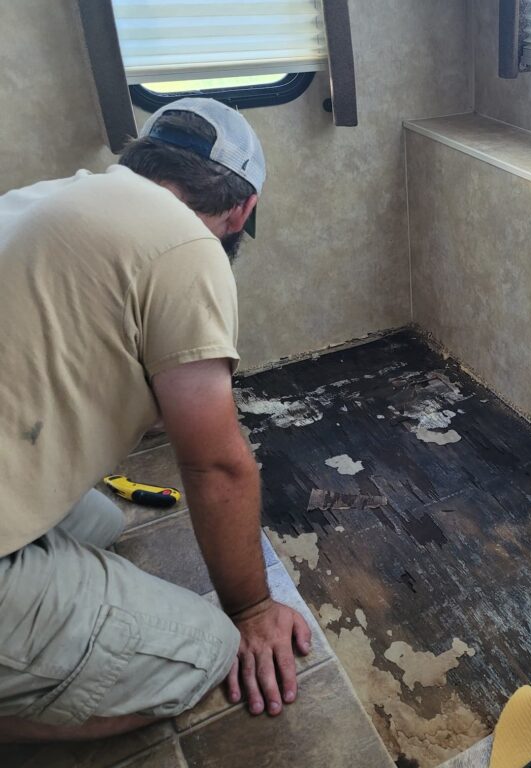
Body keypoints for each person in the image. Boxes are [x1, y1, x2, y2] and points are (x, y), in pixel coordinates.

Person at [0, 98, 310, 742]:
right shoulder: (186, 245)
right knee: (203, 651)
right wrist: (252, 609)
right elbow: (214, 464)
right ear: (241, 210)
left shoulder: (48, 198)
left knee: (100, 519)